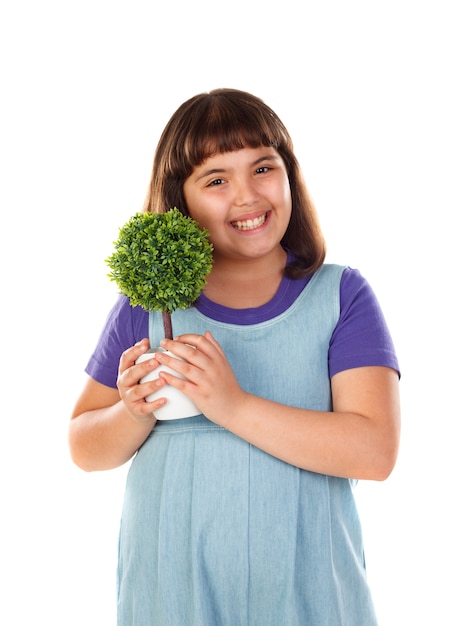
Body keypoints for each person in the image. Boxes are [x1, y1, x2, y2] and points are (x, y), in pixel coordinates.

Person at [69, 88, 401, 625]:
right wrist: (133, 412)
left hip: (309, 592)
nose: (247, 195)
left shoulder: (340, 296)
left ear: (290, 175)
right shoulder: (148, 306)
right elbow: (84, 445)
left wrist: (232, 405)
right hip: (172, 597)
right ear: (181, 199)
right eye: (217, 180)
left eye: (263, 168)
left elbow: (374, 451)